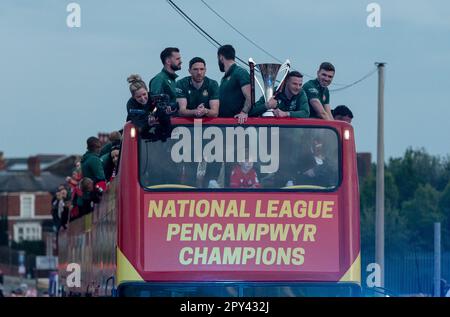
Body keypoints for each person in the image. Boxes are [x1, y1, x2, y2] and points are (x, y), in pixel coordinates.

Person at [217, 45, 252, 123]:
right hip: (224, 125)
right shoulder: (224, 78)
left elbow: (249, 96)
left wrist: (244, 112)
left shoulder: (240, 72)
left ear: (221, 57)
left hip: (237, 125)